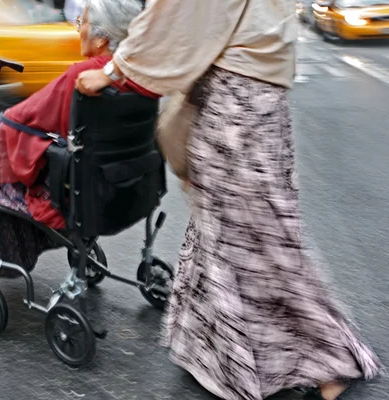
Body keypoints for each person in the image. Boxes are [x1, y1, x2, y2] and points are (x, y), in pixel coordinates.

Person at [75, 1, 381, 399]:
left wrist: (113, 71)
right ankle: (217, 352)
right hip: (252, 95)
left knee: (254, 235)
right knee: (228, 231)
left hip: (235, 102)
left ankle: (326, 358)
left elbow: (177, 14)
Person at [0, 0, 156, 276]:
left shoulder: (83, 76)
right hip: (128, 188)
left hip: (77, 194)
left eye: (83, 22)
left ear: (102, 37)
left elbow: (25, 117)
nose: (79, 29)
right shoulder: (143, 73)